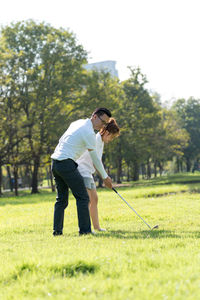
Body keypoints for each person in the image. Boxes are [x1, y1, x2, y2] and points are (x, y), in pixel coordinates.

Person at [51, 108, 113, 236]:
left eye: (105, 124)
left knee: (61, 200)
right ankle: (85, 231)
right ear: (94, 116)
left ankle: (57, 231)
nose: (103, 126)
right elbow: (95, 158)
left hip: (55, 162)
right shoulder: (89, 132)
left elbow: (61, 140)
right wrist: (105, 177)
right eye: (103, 122)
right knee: (83, 197)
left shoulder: (77, 123)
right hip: (66, 163)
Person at [76, 118, 120, 231]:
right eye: (112, 137)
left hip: (88, 172)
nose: (111, 140)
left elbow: (97, 162)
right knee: (88, 200)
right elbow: (96, 162)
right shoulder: (95, 140)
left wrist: (105, 177)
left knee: (94, 199)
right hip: (82, 171)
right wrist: (106, 178)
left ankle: (97, 227)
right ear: (107, 132)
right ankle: (86, 228)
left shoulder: (100, 142)